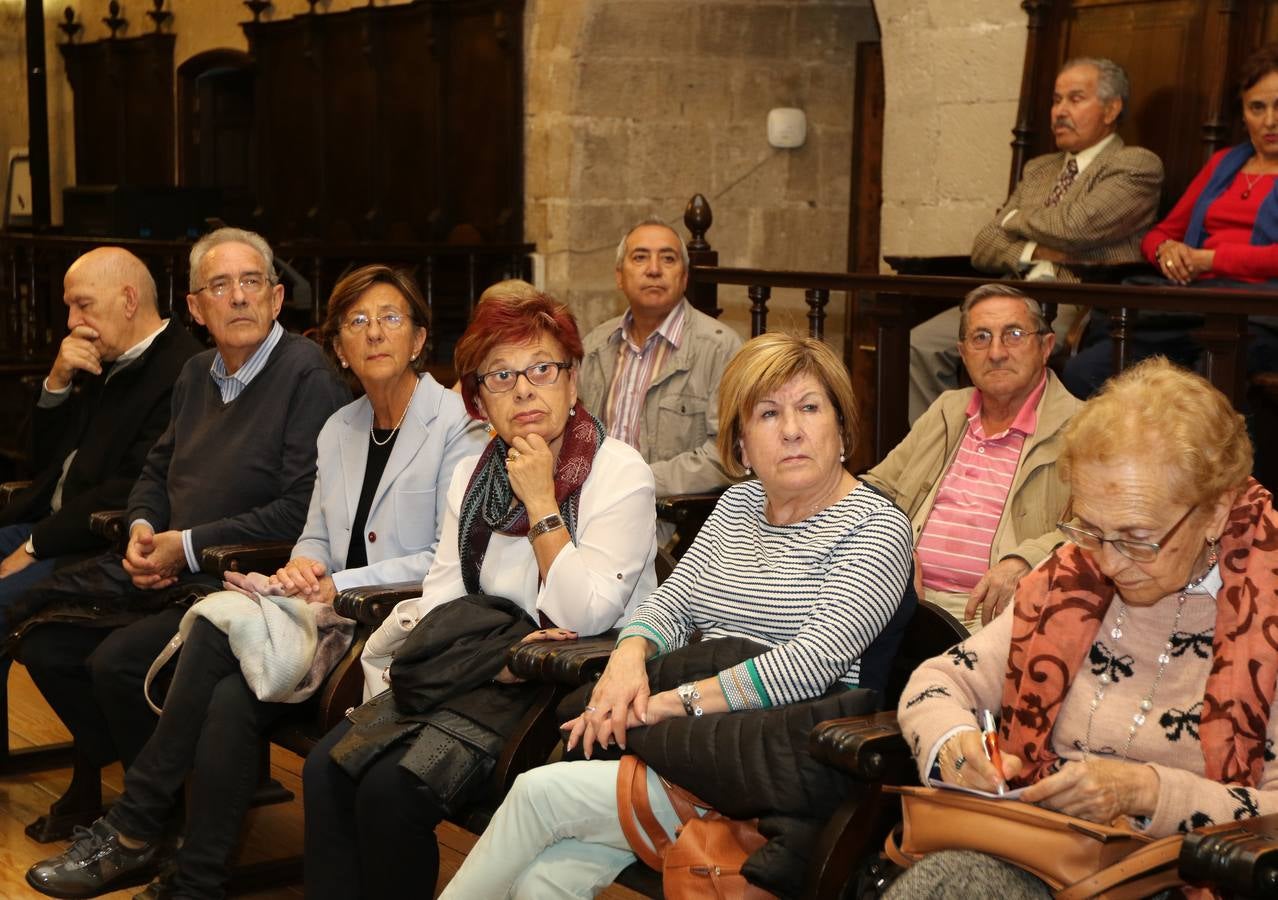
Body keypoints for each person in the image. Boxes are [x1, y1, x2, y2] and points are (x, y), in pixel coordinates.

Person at [23, 264, 485, 899]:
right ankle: (196, 879)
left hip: (400, 629)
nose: (374, 333)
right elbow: (316, 535)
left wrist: (333, 579)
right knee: (228, 696)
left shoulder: (459, 426)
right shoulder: (341, 428)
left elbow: (446, 556)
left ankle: (139, 827)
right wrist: (301, 567)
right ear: (341, 348)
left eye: (390, 319)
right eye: (357, 322)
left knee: (218, 642)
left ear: (419, 339)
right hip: (323, 616)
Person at [438, 332, 915, 900]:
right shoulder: (740, 505)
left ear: (841, 428)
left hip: (782, 763)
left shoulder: (877, 527)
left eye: (809, 408)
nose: (791, 429)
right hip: (696, 747)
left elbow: (812, 663)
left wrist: (665, 706)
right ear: (740, 442)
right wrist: (627, 661)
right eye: (768, 413)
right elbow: (672, 602)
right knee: (546, 881)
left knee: (537, 796)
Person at [301, 288, 659, 899]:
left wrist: (542, 502)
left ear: (572, 383)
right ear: (479, 399)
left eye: (542, 368)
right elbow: (443, 595)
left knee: (393, 793)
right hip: (476, 668)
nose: (524, 390)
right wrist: (485, 653)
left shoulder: (618, 471)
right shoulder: (474, 473)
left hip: (566, 688)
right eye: (501, 375)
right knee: (324, 769)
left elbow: (584, 614)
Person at [887, 356, 1278, 898]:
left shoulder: (1268, 608)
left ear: (1214, 513)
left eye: (1137, 537)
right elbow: (939, 681)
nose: (1110, 563)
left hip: (1188, 875)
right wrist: (955, 745)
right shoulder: (1068, 579)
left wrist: (1149, 793)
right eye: (1092, 528)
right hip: (1046, 852)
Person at [9, 227, 350, 832]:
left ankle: (162, 816)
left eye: (252, 283)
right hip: (165, 570)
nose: (239, 297)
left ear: (276, 299)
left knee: (114, 662)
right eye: (221, 286)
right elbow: (156, 471)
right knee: (44, 643)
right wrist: (143, 528)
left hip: (241, 581)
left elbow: (301, 508)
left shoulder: (306, 373)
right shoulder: (196, 373)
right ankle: (171, 788)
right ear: (195, 307)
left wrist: (185, 547)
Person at [910, 57, 1163, 421]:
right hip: (1010, 293)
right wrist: (1033, 249)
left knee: (1009, 360)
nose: (1060, 111)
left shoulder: (1136, 165)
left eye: (1075, 99)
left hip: (1072, 301)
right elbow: (984, 244)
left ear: (1112, 108)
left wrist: (1014, 219)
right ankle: (943, 453)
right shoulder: (1040, 169)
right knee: (920, 344)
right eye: (1056, 100)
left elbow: (1075, 225)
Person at [1063, 45, 1278, 398]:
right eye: (1257, 107)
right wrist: (1167, 251)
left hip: (1260, 315)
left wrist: (1209, 259)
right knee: (1085, 371)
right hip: (1191, 305)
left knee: (1198, 391)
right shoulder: (1225, 163)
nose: (1269, 121)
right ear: (1244, 113)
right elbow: (1159, 234)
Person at [864, 285, 1080, 632]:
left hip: (998, 615)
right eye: (981, 337)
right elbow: (875, 489)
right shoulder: (948, 409)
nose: (996, 352)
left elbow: (1098, 530)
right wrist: (896, 548)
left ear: (1046, 347)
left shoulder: (1084, 427)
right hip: (901, 600)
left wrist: (1026, 559)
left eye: (1013, 334)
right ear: (963, 353)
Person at [0, 248, 201, 620]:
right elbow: (41, 463)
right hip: (45, 523)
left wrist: (33, 547)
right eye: (69, 307)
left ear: (128, 300)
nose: (73, 322)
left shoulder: (183, 370)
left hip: (95, 543)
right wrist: (57, 382)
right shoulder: (104, 355)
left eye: (83, 305)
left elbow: (130, 487)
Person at [578, 218, 743, 501]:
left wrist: (635, 483)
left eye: (668, 259)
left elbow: (727, 455)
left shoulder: (720, 348)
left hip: (669, 521)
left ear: (685, 276)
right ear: (620, 276)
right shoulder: (595, 345)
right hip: (589, 505)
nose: (654, 270)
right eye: (640, 257)